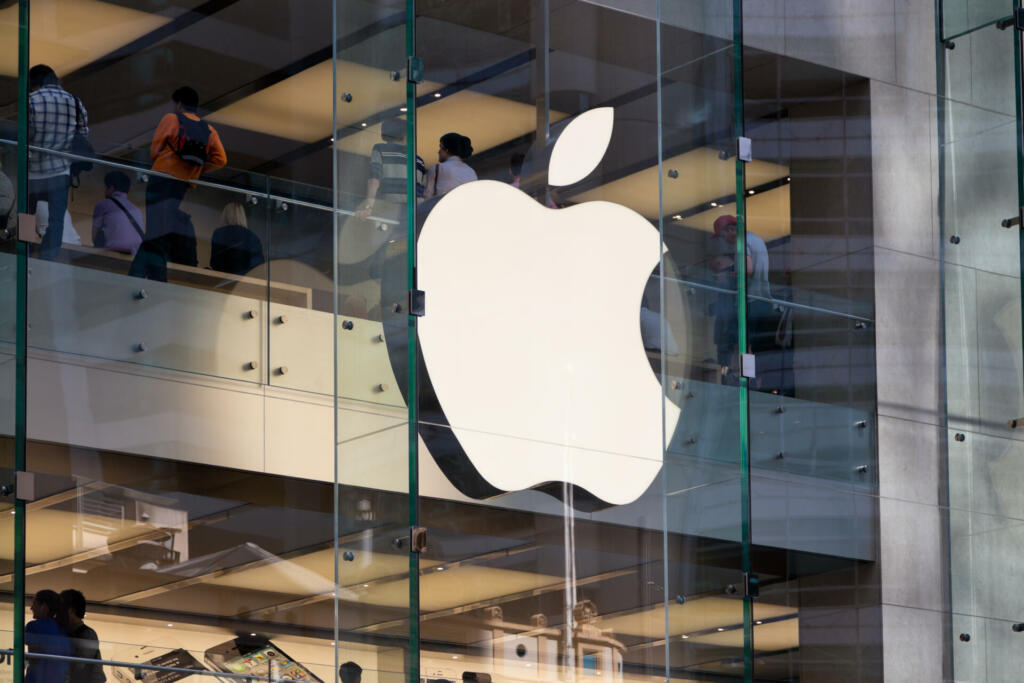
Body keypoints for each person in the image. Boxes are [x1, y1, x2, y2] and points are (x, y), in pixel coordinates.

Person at [132, 86, 226, 279]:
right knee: (160, 230)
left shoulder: (171, 119)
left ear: (180, 103)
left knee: (155, 232)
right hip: (182, 184)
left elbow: (155, 150)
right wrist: (196, 171)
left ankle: (147, 276)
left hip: (161, 178)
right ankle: (143, 275)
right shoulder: (209, 130)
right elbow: (221, 160)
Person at [27, 64, 88, 260]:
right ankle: (49, 258)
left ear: (34, 82)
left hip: (33, 172)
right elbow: (83, 136)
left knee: (26, 215)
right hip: (61, 172)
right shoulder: (76, 103)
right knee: (56, 220)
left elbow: (26, 136)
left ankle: (24, 250)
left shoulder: (31, 100)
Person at [355, 118, 426, 221]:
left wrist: (369, 207)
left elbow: (374, 181)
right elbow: (423, 192)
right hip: (416, 213)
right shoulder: (418, 160)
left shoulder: (380, 149)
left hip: (390, 209)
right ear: (404, 134)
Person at [25, 589, 72, 683]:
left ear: (44, 607)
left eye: (35, 603)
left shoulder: (33, 626)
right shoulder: (63, 629)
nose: (31, 607)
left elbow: (34, 659)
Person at [92, 171, 143, 255]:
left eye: (106, 188)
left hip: (113, 253)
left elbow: (94, 238)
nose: (104, 191)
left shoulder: (102, 205)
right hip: (135, 256)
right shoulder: (137, 210)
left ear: (111, 188)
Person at [60, 589, 105, 683]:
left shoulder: (87, 634)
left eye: (61, 608)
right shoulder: (64, 631)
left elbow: (78, 666)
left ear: (71, 610)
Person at [210, 202, 264, 275]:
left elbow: (214, 262)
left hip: (222, 280)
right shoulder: (252, 237)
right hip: (244, 281)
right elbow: (258, 266)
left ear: (225, 215)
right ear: (242, 216)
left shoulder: (219, 233)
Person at [423, 132, 476, 198]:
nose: (438, 151)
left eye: (441, 147)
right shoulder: (471, 171)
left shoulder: (437, 168)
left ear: (446, 150)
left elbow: (427, 196)